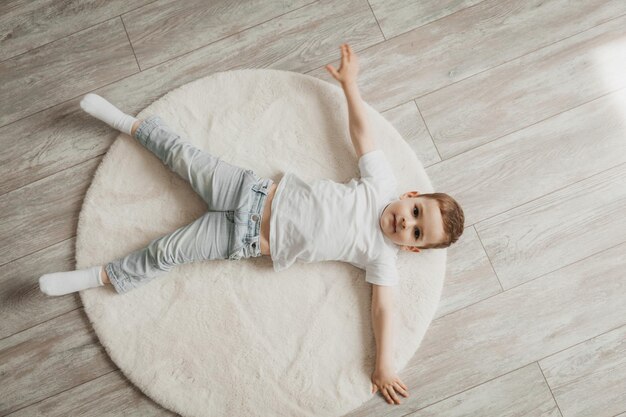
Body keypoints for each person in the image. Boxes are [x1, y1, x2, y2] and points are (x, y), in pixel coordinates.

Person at [39, 43, 464, 405]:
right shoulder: (382, 184)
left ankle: (98, 276)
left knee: (169, 251)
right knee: (185, 156)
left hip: (243, 239)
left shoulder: (381, 256)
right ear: (411, 196)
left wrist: (384, 363)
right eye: (414, 213)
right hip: (249, 192)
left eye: (415, 233)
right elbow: (362, 136)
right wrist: (350, 86)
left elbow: (383, 308)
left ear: (411, 248)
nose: (404, 223)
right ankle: (128, 123)